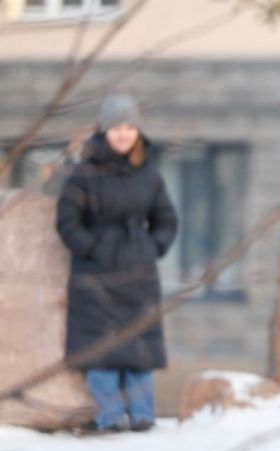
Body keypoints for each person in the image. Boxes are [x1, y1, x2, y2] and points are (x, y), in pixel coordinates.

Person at [56, 92, 178, 433]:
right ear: (103, 130)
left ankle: (141, 415)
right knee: (102, 351)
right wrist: (93, 248)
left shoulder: (150, 175)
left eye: (129, 126)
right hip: (95, 275)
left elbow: (166, 218)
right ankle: (108, 416)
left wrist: (152, 246)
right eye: (116, 127)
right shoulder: (84, 174)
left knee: (139, 349)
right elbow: (67, 221)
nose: (123, 133)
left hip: (139, 273)